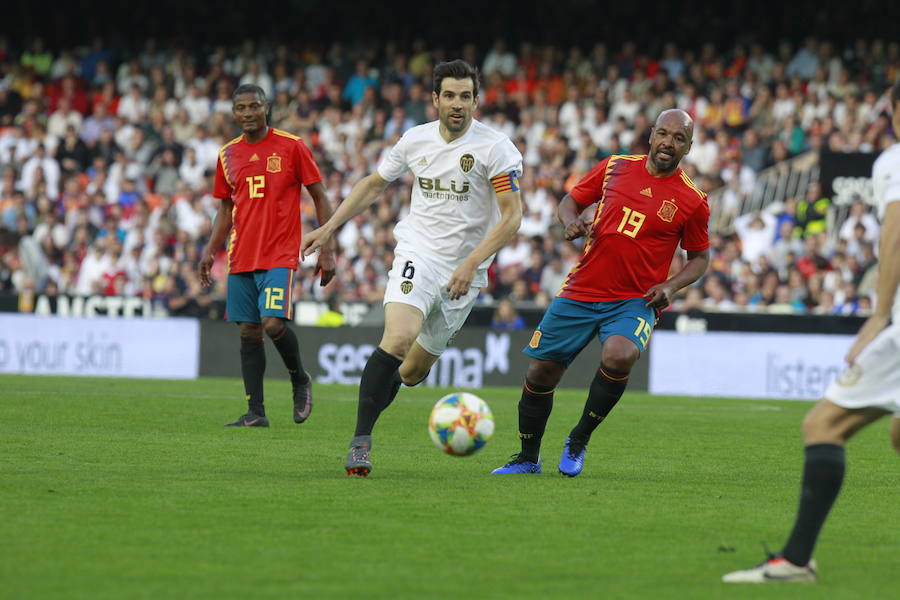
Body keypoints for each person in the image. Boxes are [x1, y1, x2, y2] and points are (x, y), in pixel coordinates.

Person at [301, 60, 523, 476]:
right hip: (417, 254)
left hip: (466, 274)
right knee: (398, 337)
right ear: (435, 99)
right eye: (450, 96)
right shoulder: (414, 140)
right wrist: (329, 227)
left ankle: (371, 417)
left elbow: (512, 216)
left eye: (466, 96)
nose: (458, 104)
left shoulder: (496, 149)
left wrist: (471, 263)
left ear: (477, 101)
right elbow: (373, 184)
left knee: (413, 371)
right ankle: (361, 440)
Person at [723, 80, 900, 584]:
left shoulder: (895, 159)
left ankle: (795, 561)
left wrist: (880, 314)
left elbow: (895, 233)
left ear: (894, 111)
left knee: (823, 427)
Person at [491, 109, 710, 476]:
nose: (668, 143)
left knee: (620, 355)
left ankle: (578, 439)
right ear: (651, 135)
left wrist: (671, 286)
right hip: (582, 288)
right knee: (541, 371)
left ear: (688, 146)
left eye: (678, 138)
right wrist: (570, 221)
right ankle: (528, 458)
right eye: (663, 134)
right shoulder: (615, 166)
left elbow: (700, 259)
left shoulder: (692, 200)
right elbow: (569, 201)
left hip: (635, 299)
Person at [199, 84, 335, 428]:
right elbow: (225, 209)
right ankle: (255, 413)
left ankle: (299, 378)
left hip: (279, 253)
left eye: (253, 106)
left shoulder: (291, 146)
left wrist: (327, 248)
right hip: (240, 255)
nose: (247, 113)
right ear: (233, 112)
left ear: (267, 108)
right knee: (248, 331)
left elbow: (319, 196)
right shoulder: (227, 155)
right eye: (240, 107)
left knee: (273, 323)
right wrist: (209, 249)